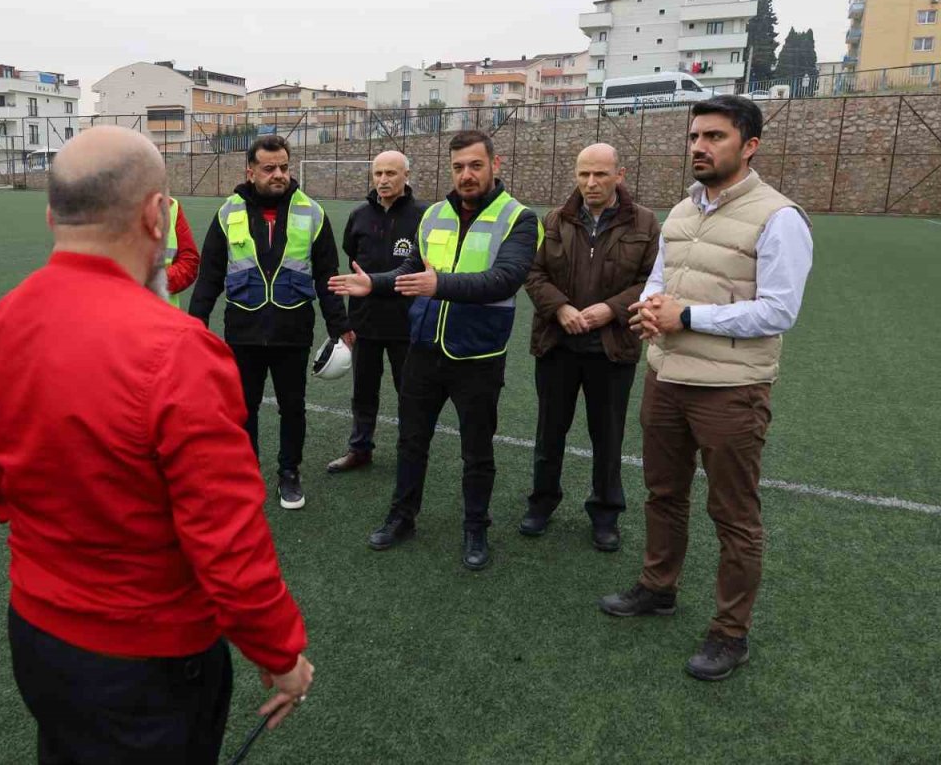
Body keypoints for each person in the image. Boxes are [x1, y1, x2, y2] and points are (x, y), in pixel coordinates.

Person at [0, 126, 313, 764]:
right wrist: (280, 651)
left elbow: (1, 492)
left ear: (52, 216)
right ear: (156, 216)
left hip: (37, 633)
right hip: (148, 662)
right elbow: (228, 544)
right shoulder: (179, 354)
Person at [599, 96, 814, 682]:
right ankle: (658, 587)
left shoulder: (779, 217)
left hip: (731, 390)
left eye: (714, 136)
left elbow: (779, 311)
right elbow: (660, 279)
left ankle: (730, 633)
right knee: (663, 493)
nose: (699, 146)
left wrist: (686, 317)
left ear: (750, 146)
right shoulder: (681, 211)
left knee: (734, 515)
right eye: (695, 136)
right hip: (666, 378)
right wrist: (650, 307)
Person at [330, 131, 541, 570]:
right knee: (411, 441)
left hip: (478, 355)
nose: (467, 175)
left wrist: (439, 284)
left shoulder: (519, 218)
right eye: (459, 167)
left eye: (475, 165)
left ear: (495, 164)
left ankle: (475, 527)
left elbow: (504, 280)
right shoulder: (435, 215)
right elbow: (412, 269)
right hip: (424, 349)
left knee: (477, 451)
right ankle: (402, 516)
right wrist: (376, 283)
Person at [189, 135, 351, 510]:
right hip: (242, 331)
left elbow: (327, 274)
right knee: (242, 408)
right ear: (250, 172)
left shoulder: (311, 212)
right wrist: (196, 323)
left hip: (292, 331)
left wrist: (339, 325)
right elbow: (210, 274)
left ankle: (289, 473)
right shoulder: (228, 212)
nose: (278, 174)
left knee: (292, 408)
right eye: (269, 168)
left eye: (283, 167)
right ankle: (246, 473)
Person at [520, 143, 660, 552]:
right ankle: (542, 503)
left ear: (620, 175)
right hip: (557, 345)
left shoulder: (646, 223)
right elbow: (534, 273)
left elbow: (653, 280)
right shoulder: (554, 219)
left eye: (600, 174)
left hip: (612, 349)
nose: (591, 183)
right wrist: (560, 308)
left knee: (608, 437)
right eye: (584, 174)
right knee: (549, 432)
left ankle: (605, 513)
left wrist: (610, 310)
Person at [327, 150, 426, 474]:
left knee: (409, 393)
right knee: (363, 391)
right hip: (365, 321)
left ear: (406, 175)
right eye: (378, 173)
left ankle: (410, 452)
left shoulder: (424, 216)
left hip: (406, 323)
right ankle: (360, 449)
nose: (383, 180)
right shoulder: (358, 215)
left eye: (391, 173)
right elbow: (353, 258)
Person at [165, 196, 199, 308]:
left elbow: (189, 262)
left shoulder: (171, 206)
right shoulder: (115, 207)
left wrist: (160, 280)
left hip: (163, 312)